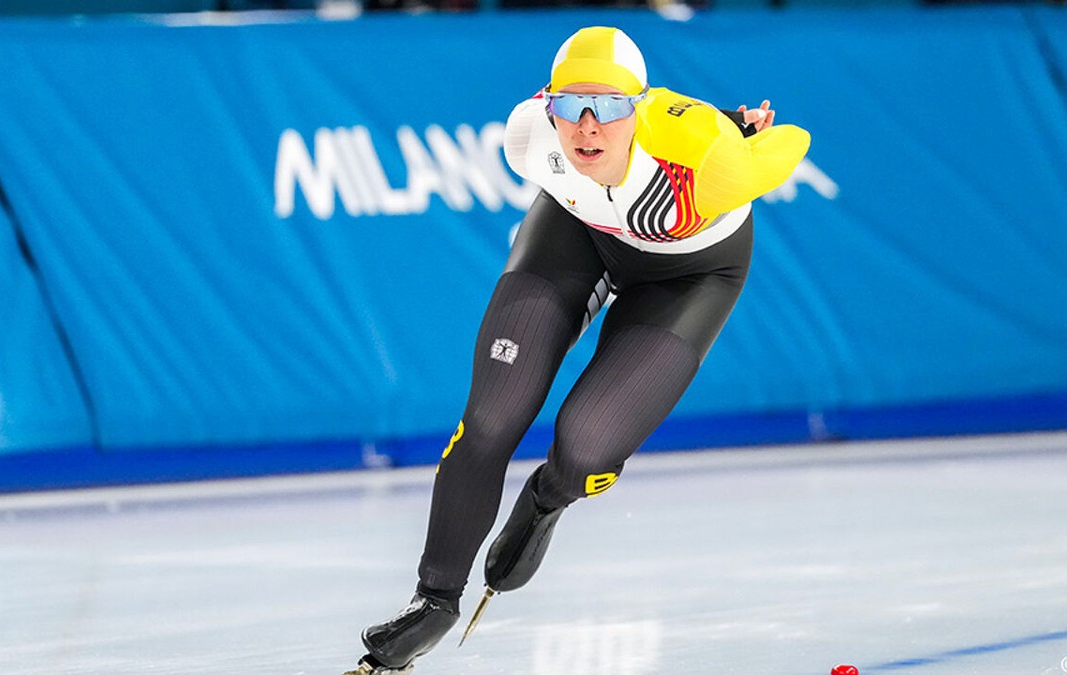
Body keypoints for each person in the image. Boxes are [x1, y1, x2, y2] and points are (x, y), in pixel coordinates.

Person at [345, 25, 810, 675]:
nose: (588, 126)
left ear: (638, 107)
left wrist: (743, 134)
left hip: (688, 276)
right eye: (572, 106)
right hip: (580, 236)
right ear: (549, 104)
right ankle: (433, 599)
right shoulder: (529, 136)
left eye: (611, 107)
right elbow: (582, 106)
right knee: (489, 420)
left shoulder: (705, 166)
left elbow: (789, 145)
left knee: (586, 448)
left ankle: (545, 499)